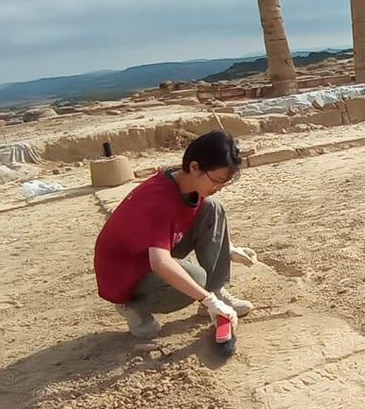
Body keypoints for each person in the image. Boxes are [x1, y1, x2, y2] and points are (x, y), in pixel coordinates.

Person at [93, 130, 254, 355]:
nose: (218, 188)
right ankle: (131, 305)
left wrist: (228, 248)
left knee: (212, 208)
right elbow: (160, 263)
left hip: (145, 251)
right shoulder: (160, 200)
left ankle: (216, 292)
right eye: (217, 180)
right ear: (195, 167)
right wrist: (205, 298)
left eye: (223, 183)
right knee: (196, 278)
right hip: (123, 272)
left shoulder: (186, 185)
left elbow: (200, 220)